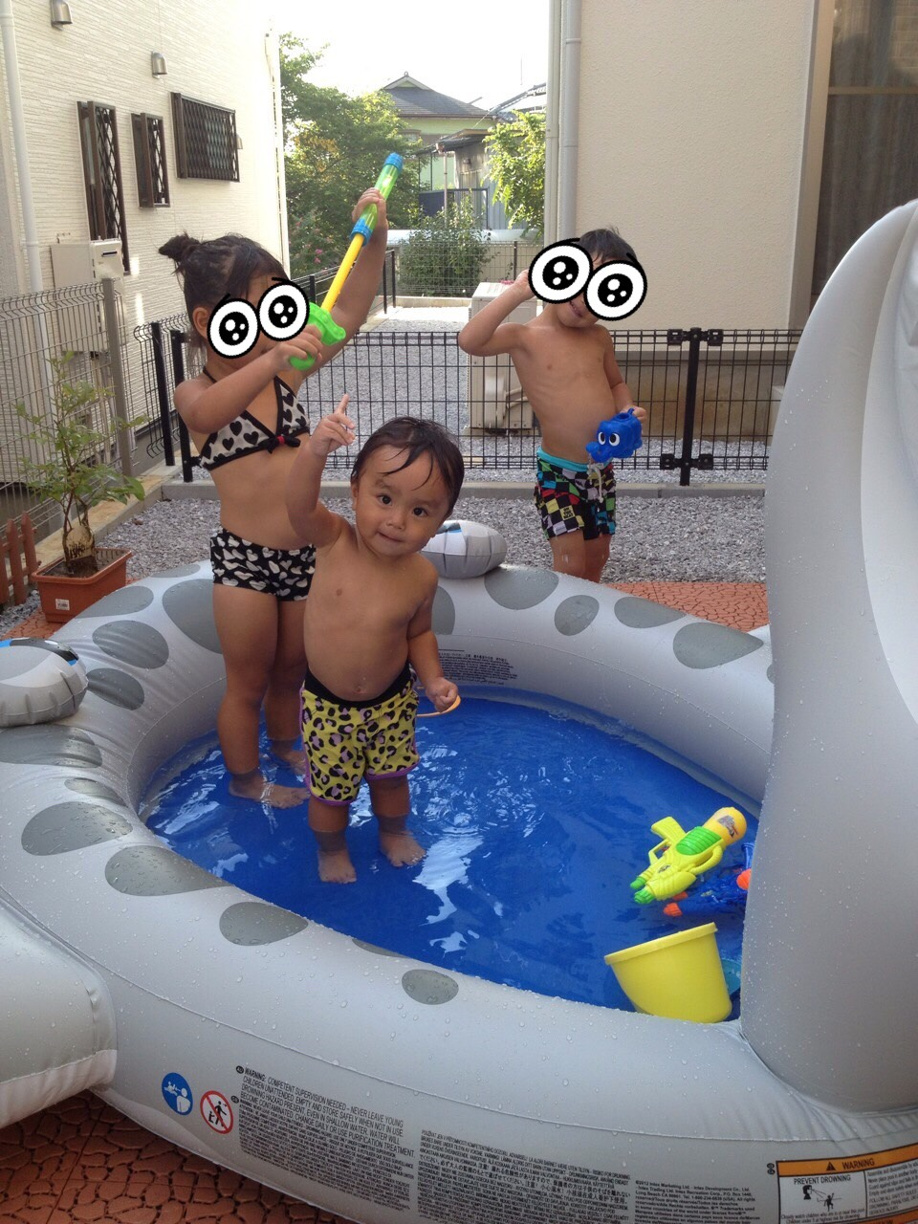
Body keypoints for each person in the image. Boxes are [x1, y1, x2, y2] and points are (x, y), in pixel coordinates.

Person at [159, 186, 389, 808]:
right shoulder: (196, 392)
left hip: (302, 556)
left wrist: (376, 234)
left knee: (292, 672)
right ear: (209, 322)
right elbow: (206, 413)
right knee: (247, 682)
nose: (275, 323)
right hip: (246, 562)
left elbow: (350, 311)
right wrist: (273, 358)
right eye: (258, 310)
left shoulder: (285, 373)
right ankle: (246, 782)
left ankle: (286, 746)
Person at [286, 404, 465, 883]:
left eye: (420, 511)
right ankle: (331, 850)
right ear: (355, 490)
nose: (397, 520)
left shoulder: (421, 576)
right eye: (384, 498)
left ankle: (393, 832)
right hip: (329, 707)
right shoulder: (334, 542)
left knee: (392, 782)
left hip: (392, 704)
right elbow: (298, 506)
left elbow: (418, 633)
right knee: (330, 797)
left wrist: (434, 679)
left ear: (441, 520)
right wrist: (315, 451)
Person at [458, 227, 647, 584]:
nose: (585, 301)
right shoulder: (525, 336)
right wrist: (519, 290)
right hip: (557, 473)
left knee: (598, 555)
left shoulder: (599, 337)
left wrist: (627, 410)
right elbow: (470, 340)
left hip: (600, 471)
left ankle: (587, 611)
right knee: (571, 562)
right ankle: (565, 615)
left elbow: (616, 384)